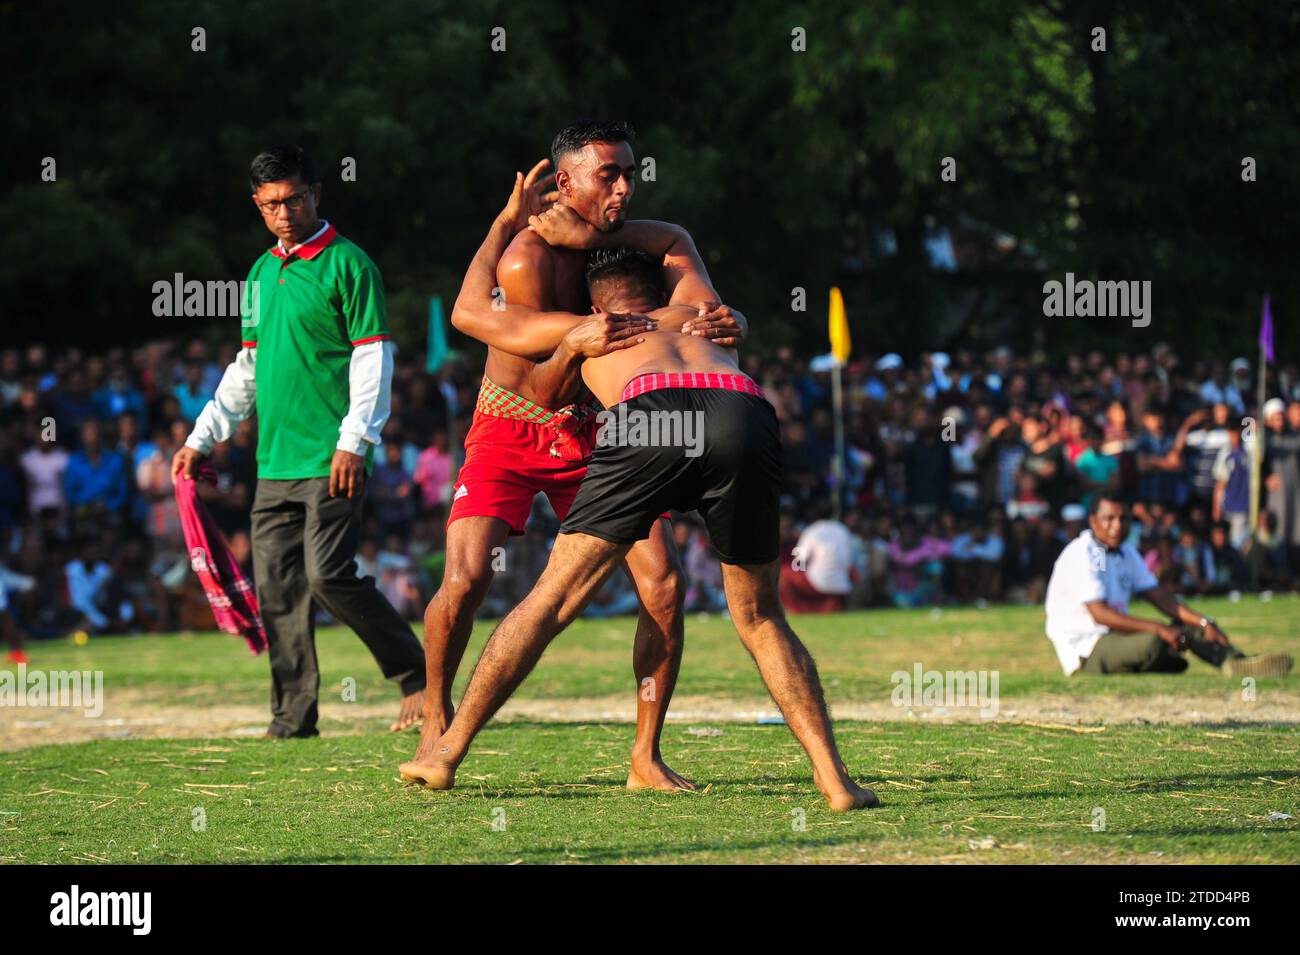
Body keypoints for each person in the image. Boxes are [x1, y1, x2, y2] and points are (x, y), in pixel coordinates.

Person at [399, 181, 875, 812]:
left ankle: (454, 751)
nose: (622, 187)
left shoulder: (588, 324)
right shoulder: (685, 306)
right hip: (739, 411)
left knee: (556, 599)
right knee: (760, 616)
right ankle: (834, 780)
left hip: (639, 418)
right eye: (609, 176)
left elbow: (478, 316)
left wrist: (574, 332)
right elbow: (674, 241)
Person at [410, 124, 744, 792]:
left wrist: (719, 317)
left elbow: (689, 272)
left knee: (666, 584)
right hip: (512, 424)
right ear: (564, 183)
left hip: (591, 431)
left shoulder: (627, 242)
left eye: (628, 173)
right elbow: (538, 370)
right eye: (608, 175)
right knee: (467, 577)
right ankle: (433, 710)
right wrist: (589, 337)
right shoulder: (523, 261)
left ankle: (645, 757)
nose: (623, 187)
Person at [172, 145, 425, 738]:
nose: (283, 213)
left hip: (331, 456)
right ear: (257, 207)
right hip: (273, 462)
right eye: (270, 205)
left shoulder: (350, 265)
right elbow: (247, 370)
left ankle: (414, 673)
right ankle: (291, 721)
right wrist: (200, 438)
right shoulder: (260, 274)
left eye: (293, 199)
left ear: (316, 194)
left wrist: (356, 440)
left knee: (328, 575)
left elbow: (373, 360)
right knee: (279, 590)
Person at [1043, 494, 1292, 677]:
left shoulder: (1126, 551)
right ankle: (1156, 661)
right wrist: (1160, 629)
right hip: (1086, 649)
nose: (1117, 525)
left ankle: (1235, 664)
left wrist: (1204, 622)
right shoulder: (1082, 553)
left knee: (1187, 628)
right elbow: (1101, 615)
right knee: (1154, 642)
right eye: (1109, 519)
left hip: (1116, 638)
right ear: (1093, 522)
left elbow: (1160, 596)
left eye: (1123, 518)